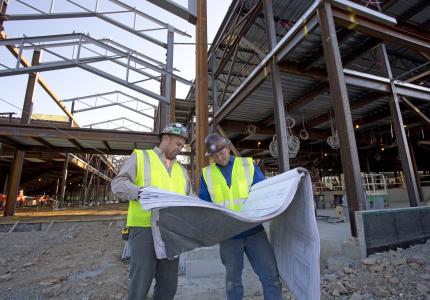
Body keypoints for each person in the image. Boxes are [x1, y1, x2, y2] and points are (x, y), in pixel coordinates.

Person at [111, 122, 192, 300]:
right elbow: (117, 185)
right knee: (140, 283)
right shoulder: (141, 157)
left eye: (182, 146)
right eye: (178, 144)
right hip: (144, 229)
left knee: (168, 286)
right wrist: (140, 192)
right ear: (166, 138)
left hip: (171, 233)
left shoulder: (182, 171)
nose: (180, 149)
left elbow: (189, 200)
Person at [198, 133, 283, 300]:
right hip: (228, 236)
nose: (219, 158)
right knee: (233, 282)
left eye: (221, 153)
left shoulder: (247, 165)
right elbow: (205, 204)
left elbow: (262, 193)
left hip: (254, 231)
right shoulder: (207, 174)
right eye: (215, 156)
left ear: (228, 148)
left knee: (270, 276)